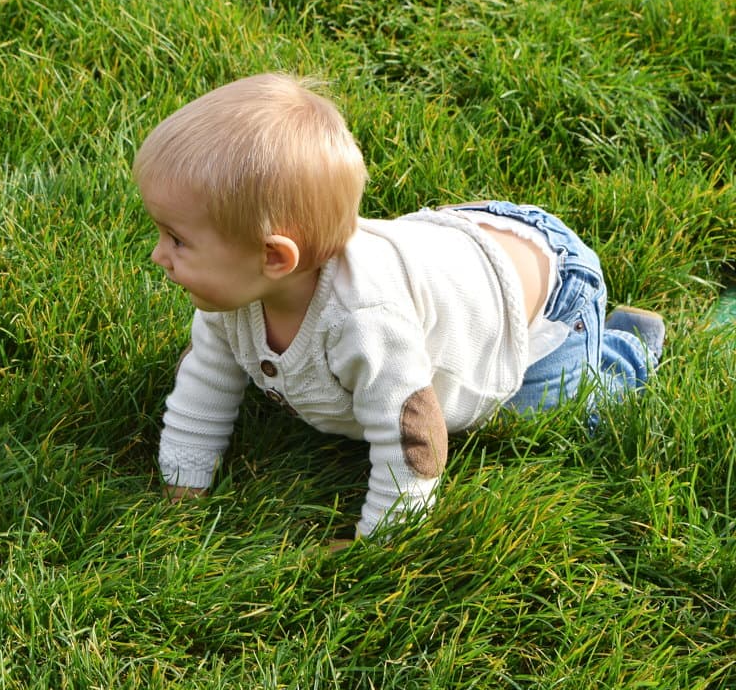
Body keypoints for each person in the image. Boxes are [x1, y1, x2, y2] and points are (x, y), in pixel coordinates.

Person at [134, 73, 663, 539]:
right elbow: (204, 386)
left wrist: (380, 541)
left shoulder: (367, 322)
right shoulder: (230, 297)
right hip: (460, 241)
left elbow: (415, 437)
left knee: (546, 411)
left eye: (176, 240)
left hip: (542, 298)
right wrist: (183, 492)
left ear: (275, 257)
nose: (159, 255)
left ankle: (624, 349)